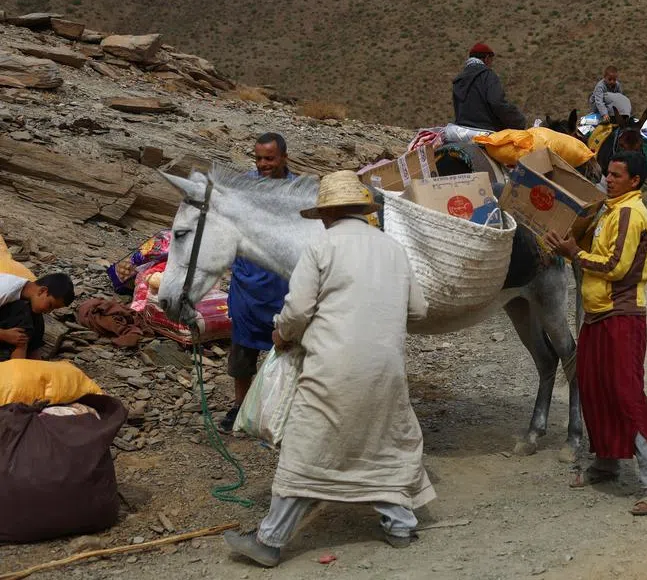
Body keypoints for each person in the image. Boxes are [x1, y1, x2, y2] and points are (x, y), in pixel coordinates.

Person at [223, 171, 433, 567]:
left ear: (325, 214)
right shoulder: (393, 249)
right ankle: (401, 525)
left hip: (332, 367)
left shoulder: (321, 248)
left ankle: (269, 540)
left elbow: (297, 310)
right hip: (385, 369)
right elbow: (418, 310)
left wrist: (282, 335)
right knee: (381, 441)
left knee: (306, 446)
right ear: (361, 210)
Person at [543, 152, 647, 517]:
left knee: (624, 393)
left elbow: (617, 267)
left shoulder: (632, 214)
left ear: (635, 181)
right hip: (598, 314)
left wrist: (574, 255)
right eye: (609, 174)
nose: (609, 180)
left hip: (622, 314)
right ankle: (606, 462)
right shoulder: (609, 210)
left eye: (617, 175)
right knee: (595, 386)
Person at [219, 133, 295, 433]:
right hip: (248, 285)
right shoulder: (242, 188)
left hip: (285, 286)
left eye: (269, 158)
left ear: (284, 157)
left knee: (291, 347)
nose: (263, 164)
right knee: (242, 350)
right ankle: (239, 407)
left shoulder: (297, 190)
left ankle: (283, 408)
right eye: (259, 158)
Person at [452, 42, 527, 132]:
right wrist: (518, 121)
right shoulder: (487, 75)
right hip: (485, 131)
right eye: (491, 60)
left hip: (460, 131)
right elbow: (497, 102)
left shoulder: (459, 79)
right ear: (487, 58)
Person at [0, 273, 74, 361]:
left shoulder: (27, 298)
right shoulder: (4, 289)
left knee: (32, 315)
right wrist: (4, 335)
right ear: (42, 291)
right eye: (50, 305)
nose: (48, 311)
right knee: (22, 312)